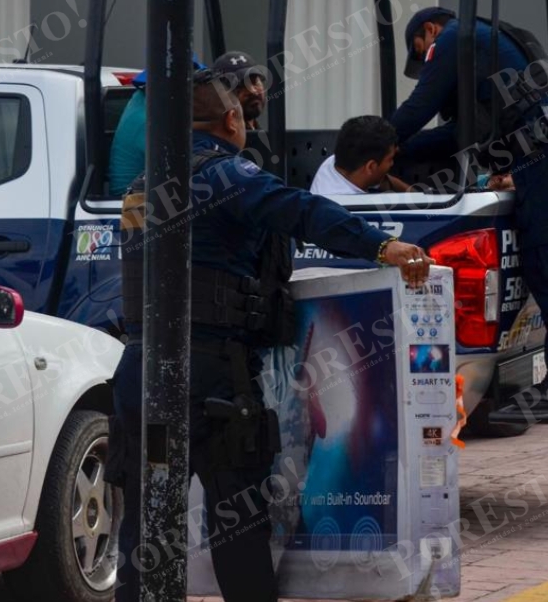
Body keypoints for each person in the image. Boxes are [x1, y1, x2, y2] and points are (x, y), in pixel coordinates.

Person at [106, 69, 433, 602]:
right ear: (231, 119)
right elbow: (301, 210)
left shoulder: (145, 185)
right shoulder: (225, 175)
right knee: (238, 522)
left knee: (147, 525)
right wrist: (380, 247)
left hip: (141, 375)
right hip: (211, 377)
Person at [393, 8, 548, 415]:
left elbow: (419, 107)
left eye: (421, 53)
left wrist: (378, 144)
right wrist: (405, 151)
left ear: (429, 30)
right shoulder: (494, 42)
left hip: (546, 148)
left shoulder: (454, 37)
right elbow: (461, 133)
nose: (425, 64)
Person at [108, 53, 206, 195]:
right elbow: (187, 166)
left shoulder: (147, 99)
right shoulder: (149, 120)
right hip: (131, 207)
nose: (191, 87)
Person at [310, 116, 409, 194]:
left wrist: (414, 194)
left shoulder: (335, 162)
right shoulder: (345, 210)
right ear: (370, 167)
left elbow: (382, 180)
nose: (392, 163)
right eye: (390, 159)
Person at [212, 50, 267, 130]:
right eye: (240, 86)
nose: (252, 91)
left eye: (254, 82)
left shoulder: (262, 134)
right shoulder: (216, 139)